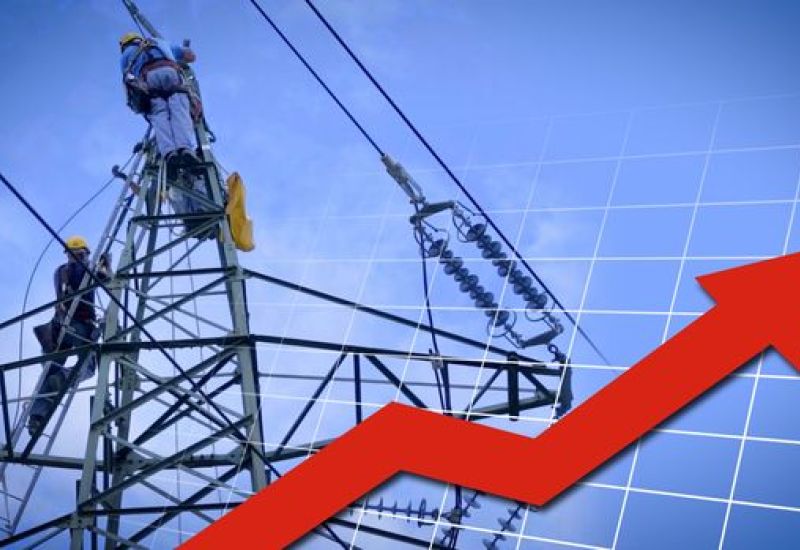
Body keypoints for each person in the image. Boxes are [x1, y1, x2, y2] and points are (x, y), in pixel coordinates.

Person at [28, 236, 111, 436]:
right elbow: (107, 278)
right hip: (80, 325)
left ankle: (36, 417)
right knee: (88, 368)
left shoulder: (60, 272)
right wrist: (106, 263)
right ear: (84, 253)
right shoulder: (87, 269)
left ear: (67, 254)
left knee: (50, 370)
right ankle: (64, 377)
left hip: (59, 326)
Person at [119, 32, 200, 174]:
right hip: (170, 71)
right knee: (179, 109)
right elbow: (191, 56)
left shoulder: (126, 54)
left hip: (148, 79)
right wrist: (181, 56)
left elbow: (127, 79)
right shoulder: (158, 42)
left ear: (125, 44)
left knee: (159, 115)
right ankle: (185, 149)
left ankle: (169, 153)